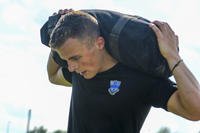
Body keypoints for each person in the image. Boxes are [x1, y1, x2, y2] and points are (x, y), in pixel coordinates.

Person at [46, 9, 200, 133]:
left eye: (75, 58)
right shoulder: (79, 72)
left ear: (99, 43)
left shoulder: (140, 77)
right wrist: (58, 31)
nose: (71, 67)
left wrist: (172, 56)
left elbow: (195, 110)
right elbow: (52, 76)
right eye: (66, 60)